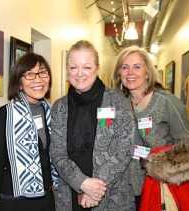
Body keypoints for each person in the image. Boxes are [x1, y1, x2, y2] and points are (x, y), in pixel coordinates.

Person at [50, 40, 136, 211]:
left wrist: (92, 190)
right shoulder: (59, 107)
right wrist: (81, 183)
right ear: (67, 70)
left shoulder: (117, 100)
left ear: (97, 68)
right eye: (74, 67)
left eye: (87, 67)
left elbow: (124, 148)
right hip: (71, 195)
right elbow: (57, 153)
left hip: (111, 196)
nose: (79, 73)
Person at [112, 45, 189, 209]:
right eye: (125, 67)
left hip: (159, 188)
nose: (130, 73)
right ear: (119, 74)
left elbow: (188, 147)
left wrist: (160, 165)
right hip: (125, 190)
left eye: (137, 67)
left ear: (147, 72)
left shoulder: (167, 102)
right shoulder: (117, 103)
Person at [0, 52, 58, 211]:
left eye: (42, 72)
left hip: (46, 198)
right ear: (19, 83)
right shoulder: (5, 115)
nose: (38, 79)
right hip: (14, 200)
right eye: (29, 74)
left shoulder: (51, 113)